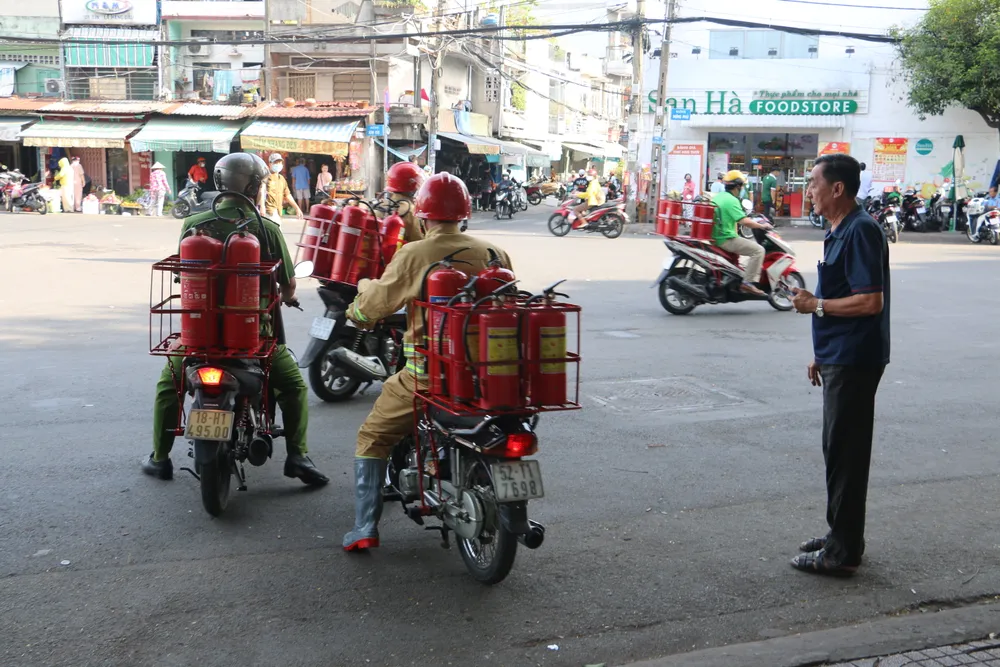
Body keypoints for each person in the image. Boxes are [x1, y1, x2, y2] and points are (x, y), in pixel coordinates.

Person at [341, 173, 512, 552]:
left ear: (423, 214)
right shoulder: (494, 253)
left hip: (431, 375)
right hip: (491, 374)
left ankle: (364, 527)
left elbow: (373, 306)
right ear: (464, 213)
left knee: (373, 435)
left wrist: (359, 300)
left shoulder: (415, 254)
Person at [142, 152, 328, 486]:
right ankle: (298, 456)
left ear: (218, 183)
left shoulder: (192, 224)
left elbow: (184, 279)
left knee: (169, 386)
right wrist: (287, 297)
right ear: (256, 186)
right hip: (253, 338)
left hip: (198, 336)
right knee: (293, 386)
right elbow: (287, 285)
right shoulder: (266, 229)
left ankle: (159, 458)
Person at [790, 153, 890, 577]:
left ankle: (841, 551)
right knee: (838, 451)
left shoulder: (861, 231)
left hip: (855, 358)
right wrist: (821, 351)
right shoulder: (838, 229)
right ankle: (842, 534)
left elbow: (870, 301)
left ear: (837, 189)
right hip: (838, 355)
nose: (807, 191)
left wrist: (817, 305)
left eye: (813, 183)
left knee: (845, 454)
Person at [711, 170, 773, 296]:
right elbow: (744, 221)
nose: (743, 189)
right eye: (742, 186)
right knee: (758, 251)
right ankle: (748, 283)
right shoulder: (731, 200)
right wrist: (762, 226)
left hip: (717, 236)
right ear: (738, 186)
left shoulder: (719, 196)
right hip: (725, 238)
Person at [380, 161, 426, 249]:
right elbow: (418, 244)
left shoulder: (380, 205)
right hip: (397, 260)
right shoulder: (410, 211)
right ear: (413, 186)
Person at [258, 153, 303, 224]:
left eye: (279, 162)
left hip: (278, 211)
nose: (278, 164)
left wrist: (297, 208)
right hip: (268, 212)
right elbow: (261, 192)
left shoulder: (281, 179)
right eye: (275, 162)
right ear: (270, 164)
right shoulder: (266, 177)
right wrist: (262, 207)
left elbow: (288, 195)